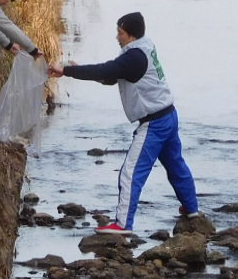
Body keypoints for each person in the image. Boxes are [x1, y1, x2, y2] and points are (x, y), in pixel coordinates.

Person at [48, 12, 198, 234]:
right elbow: (111, 76)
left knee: (130, 173)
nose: (116, 37)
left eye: (120, 33)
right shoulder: (144, 48)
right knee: (176, 165)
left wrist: (68, 70)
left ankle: (123, 224)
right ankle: (192, 209)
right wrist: (75, 70)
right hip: (169, 115)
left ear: (130, 35)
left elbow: (107, 70)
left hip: (154, 123)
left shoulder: (134, 56)